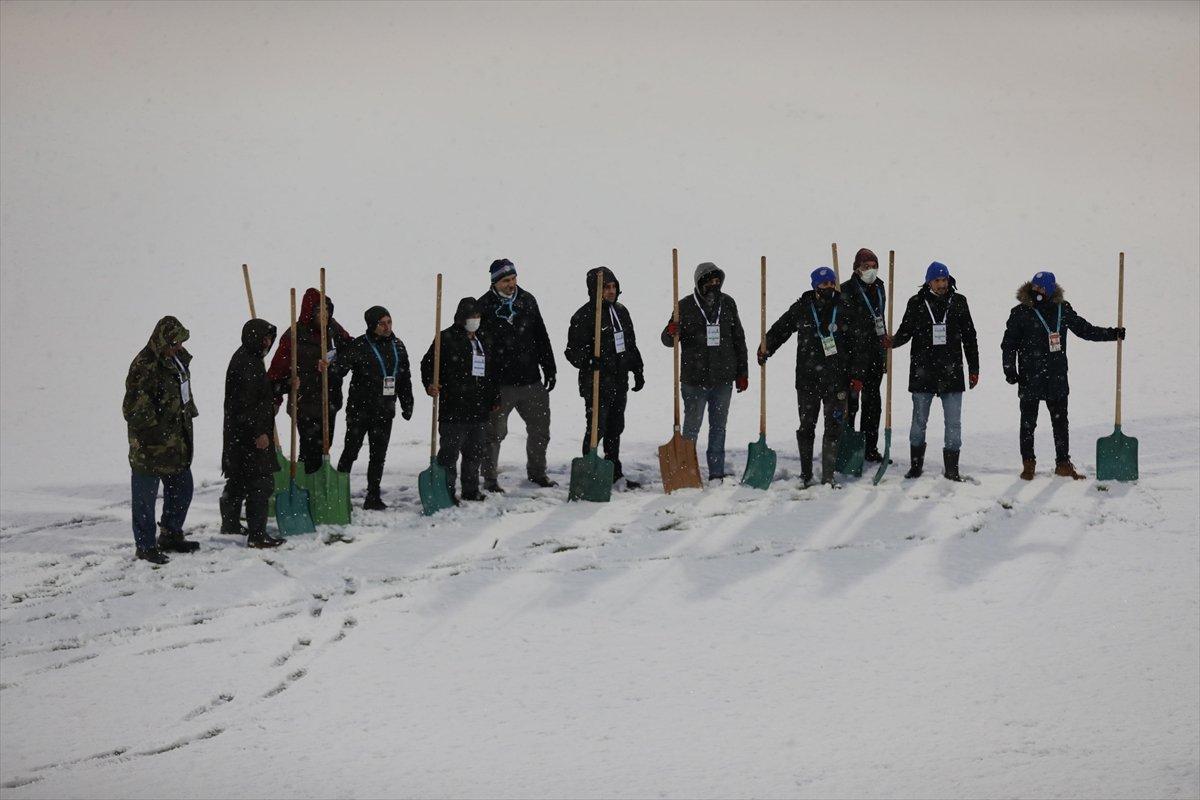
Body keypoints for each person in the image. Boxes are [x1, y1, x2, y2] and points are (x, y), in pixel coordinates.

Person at [1001, 271, 1125, 480]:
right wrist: (1010, 370)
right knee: (1028, 422)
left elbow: (1085, 330)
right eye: (1035, 287)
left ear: (1050, 290)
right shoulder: (1021, 312)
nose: (1037, 291)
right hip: (1030, 377)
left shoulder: (1062, 309)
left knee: (1060, 422)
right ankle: (1028, 463)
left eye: (1042, 288)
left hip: (1056, 376)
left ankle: (1063, 463)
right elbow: (1009, 344)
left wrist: (1112, 334)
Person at [759, 267, 865, 487]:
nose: (828, 288)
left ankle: (828, 476)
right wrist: (766, 347)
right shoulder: (802, 308)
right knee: (807, 426)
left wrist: (856, 374)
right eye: (823, 284)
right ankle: (806, 474)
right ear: (815, 286)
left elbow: (858, 345)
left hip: (838, 379)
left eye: (831, 284)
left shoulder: (845, 307)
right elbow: (782, 328)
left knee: (834, 427)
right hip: (807, 380)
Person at [889, 261, 980, 481]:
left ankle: (952, 469)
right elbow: (906, 331)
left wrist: (974, 368)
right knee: (919, 421)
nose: (942, 284)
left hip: (952, 372)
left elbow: (970, 337)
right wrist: (892, 342)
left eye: (945, 280)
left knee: (954, 423)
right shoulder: (917, 302)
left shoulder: (959, 302)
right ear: (929, 281)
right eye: (938, 280)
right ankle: (916, 465)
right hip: (923, 371)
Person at [659, 261, 748, 481]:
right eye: (709, 281)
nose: (713, 285)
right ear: (700, 283)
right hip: (694, 380)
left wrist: (742, 372)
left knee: (719, 428)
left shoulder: (728, 304)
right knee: (691, 429)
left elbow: (739, 339)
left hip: (723, 379)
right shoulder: (684, 306)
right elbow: (667, 341)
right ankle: (686, 472)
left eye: (717, 281)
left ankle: (716, 473)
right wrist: (671, 332)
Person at [122, 316, 200, 563]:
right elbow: (134, 409)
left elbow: (182, 393)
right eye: (174, 342)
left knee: (183, 488)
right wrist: (157, 433)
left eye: (180, 342)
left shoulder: (176, 360)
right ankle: (145, 545)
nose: (179, 347)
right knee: (145, 498)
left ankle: (170, 534)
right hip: (150, 447)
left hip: (176, 442)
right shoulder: (145, 365)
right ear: (163, 340)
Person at [476, 258, 558, 492]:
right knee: (494, 433)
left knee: (540, 429)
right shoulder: (484, 306)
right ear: (495, 282)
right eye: (505, 281)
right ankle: (490, 479)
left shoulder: (527, 300)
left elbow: (541, 335)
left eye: (513, 279)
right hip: (500, 384)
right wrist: (485, 384)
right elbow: (480, 348)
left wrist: (549, 366)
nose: (511, 284)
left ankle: (537, 473)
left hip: (531, 380)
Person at [565, 267, 646, 488]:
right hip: (596, 383)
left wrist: (637, 369)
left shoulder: (621, 311)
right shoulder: (584, 315)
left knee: (615, 427)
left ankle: (613, 471)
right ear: (595, 290)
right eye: (606, 287)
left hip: (619, 381)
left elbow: (630, 344)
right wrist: (588, 360)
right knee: (596, 428)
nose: (611, 291)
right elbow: (571, 351)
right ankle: (589, 471)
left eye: (613, 287)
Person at [331, 305, 414, 509]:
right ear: (371, 325)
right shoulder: (360, 345)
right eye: (382, 323)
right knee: (351, 451)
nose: (387, 327)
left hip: (385, 410)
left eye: (389, 322)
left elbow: (404, 377)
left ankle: (373, 496)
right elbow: (339, 369)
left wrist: (407, 402)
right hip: (360, 409)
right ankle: (338, 493)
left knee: (378, 454)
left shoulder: (398, 345)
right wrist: (331, 368)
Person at [267, 288, 353, 474]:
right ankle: (306, 486)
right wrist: (276, 399)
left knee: (324, 447)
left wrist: (335, 365)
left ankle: (312, 485)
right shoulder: (294, 336)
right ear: (309, 312)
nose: (325, 315)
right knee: (310, 449)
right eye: (320, 311)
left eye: (328, 310)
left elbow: (350, 349)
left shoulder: (333, 328)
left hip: (329, 400)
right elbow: (276, 372)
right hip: (304, 403)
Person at [422, 299, 499, 503]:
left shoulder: (484, 339)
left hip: (479, 408)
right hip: (454, 408)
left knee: (475, 453)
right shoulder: (446, 338)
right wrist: (431, 383)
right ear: (461, 318)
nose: (475, 321)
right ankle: (446, 491)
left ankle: (471, 489)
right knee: (449, 455)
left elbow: (491, 371)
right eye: (471, 317)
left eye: (477, 317)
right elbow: (427, 364)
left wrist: (494, 396)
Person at [219, 318, 285, 548]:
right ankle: (257, 535)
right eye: (264, 338)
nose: (267, 343)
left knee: (238, 477)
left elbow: (259, 394)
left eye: (270, 338)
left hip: (238, 434)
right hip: (250, 434)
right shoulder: (248, 363)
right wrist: (260, 432)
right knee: (261, 482)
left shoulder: (249, 359)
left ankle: (230, 523)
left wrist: (280, 388)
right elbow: (248, 404)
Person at [841, 248, 889, 462]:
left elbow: (879, 319)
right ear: (856, 268)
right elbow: (851, 329)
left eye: (873, 266)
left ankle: (870, 447)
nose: (870, 270)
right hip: (851, 357)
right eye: (866, 267)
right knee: (851, 405)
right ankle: (849, 447)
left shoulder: (879, 287)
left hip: (875, 355)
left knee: (873, 404)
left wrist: (885, 350)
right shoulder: (845, 290)